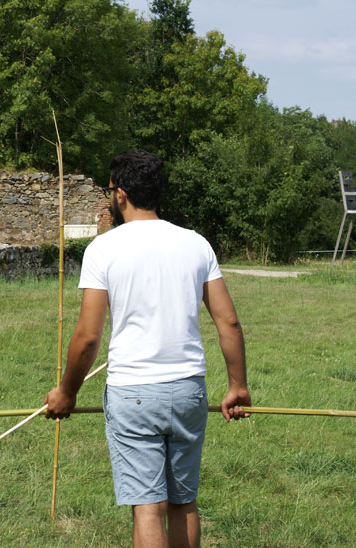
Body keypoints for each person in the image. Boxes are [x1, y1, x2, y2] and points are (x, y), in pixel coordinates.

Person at [44, 150, 251, 548]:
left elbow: (88, 337)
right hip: (188, 389)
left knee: (148, 507)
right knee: (183, 503)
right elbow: (229, 322)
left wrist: (67, 392)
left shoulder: (103, 249)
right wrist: (237, 385)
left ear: (120, 194)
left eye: (109, 190)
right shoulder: (196, 244)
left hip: (133, 393)